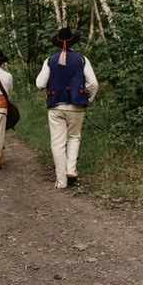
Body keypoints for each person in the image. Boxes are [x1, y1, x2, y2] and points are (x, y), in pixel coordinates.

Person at [36, 27, 99, 189]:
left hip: (55, 105)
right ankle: (71, 169)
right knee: (74, 137)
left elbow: (39, 84)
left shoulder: (50, 60)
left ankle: (61, 181)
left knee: (57, 143)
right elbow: (93, 83)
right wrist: (88, 98)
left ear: (58, 42)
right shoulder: (82, 59)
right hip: (77, 105)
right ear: (72, 42)